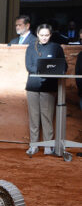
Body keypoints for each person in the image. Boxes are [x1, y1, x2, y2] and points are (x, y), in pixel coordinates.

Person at [25, 24, 67, 156]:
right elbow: (29, 66)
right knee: (34, 117)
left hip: (49, 86)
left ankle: (48, 146)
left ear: (50, 35)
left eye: (46, 35)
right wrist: (42, 70)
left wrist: (48, 70)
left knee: (47, 117)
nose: (44, 38)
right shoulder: (31, 48)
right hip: (32, 86)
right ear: (37, 34)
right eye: (42, 35)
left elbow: (62, 66)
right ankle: (34, 145)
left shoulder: (56, 47)